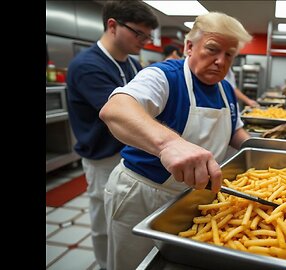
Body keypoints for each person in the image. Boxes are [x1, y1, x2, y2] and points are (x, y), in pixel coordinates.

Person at [99, 12, 252, 270]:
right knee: (132, 264)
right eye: (213, 49)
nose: (220, 61)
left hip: (193, 198)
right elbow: (115, 110)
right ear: (189, 47)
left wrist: (261, 149)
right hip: (144, 194)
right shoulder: (163, 76)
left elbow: (236, 132)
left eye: (229, 55)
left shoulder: (225, 89)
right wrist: (169, 144)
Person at [65, 1, 158, 269]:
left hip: (127, 154)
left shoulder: (131, 64)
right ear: (113, 25)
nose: (144, 41)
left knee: (121, 218)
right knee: (103, 223)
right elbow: (120, 115)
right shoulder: (87, 65)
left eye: (147, 36)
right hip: (103, 158)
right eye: (138, 34)